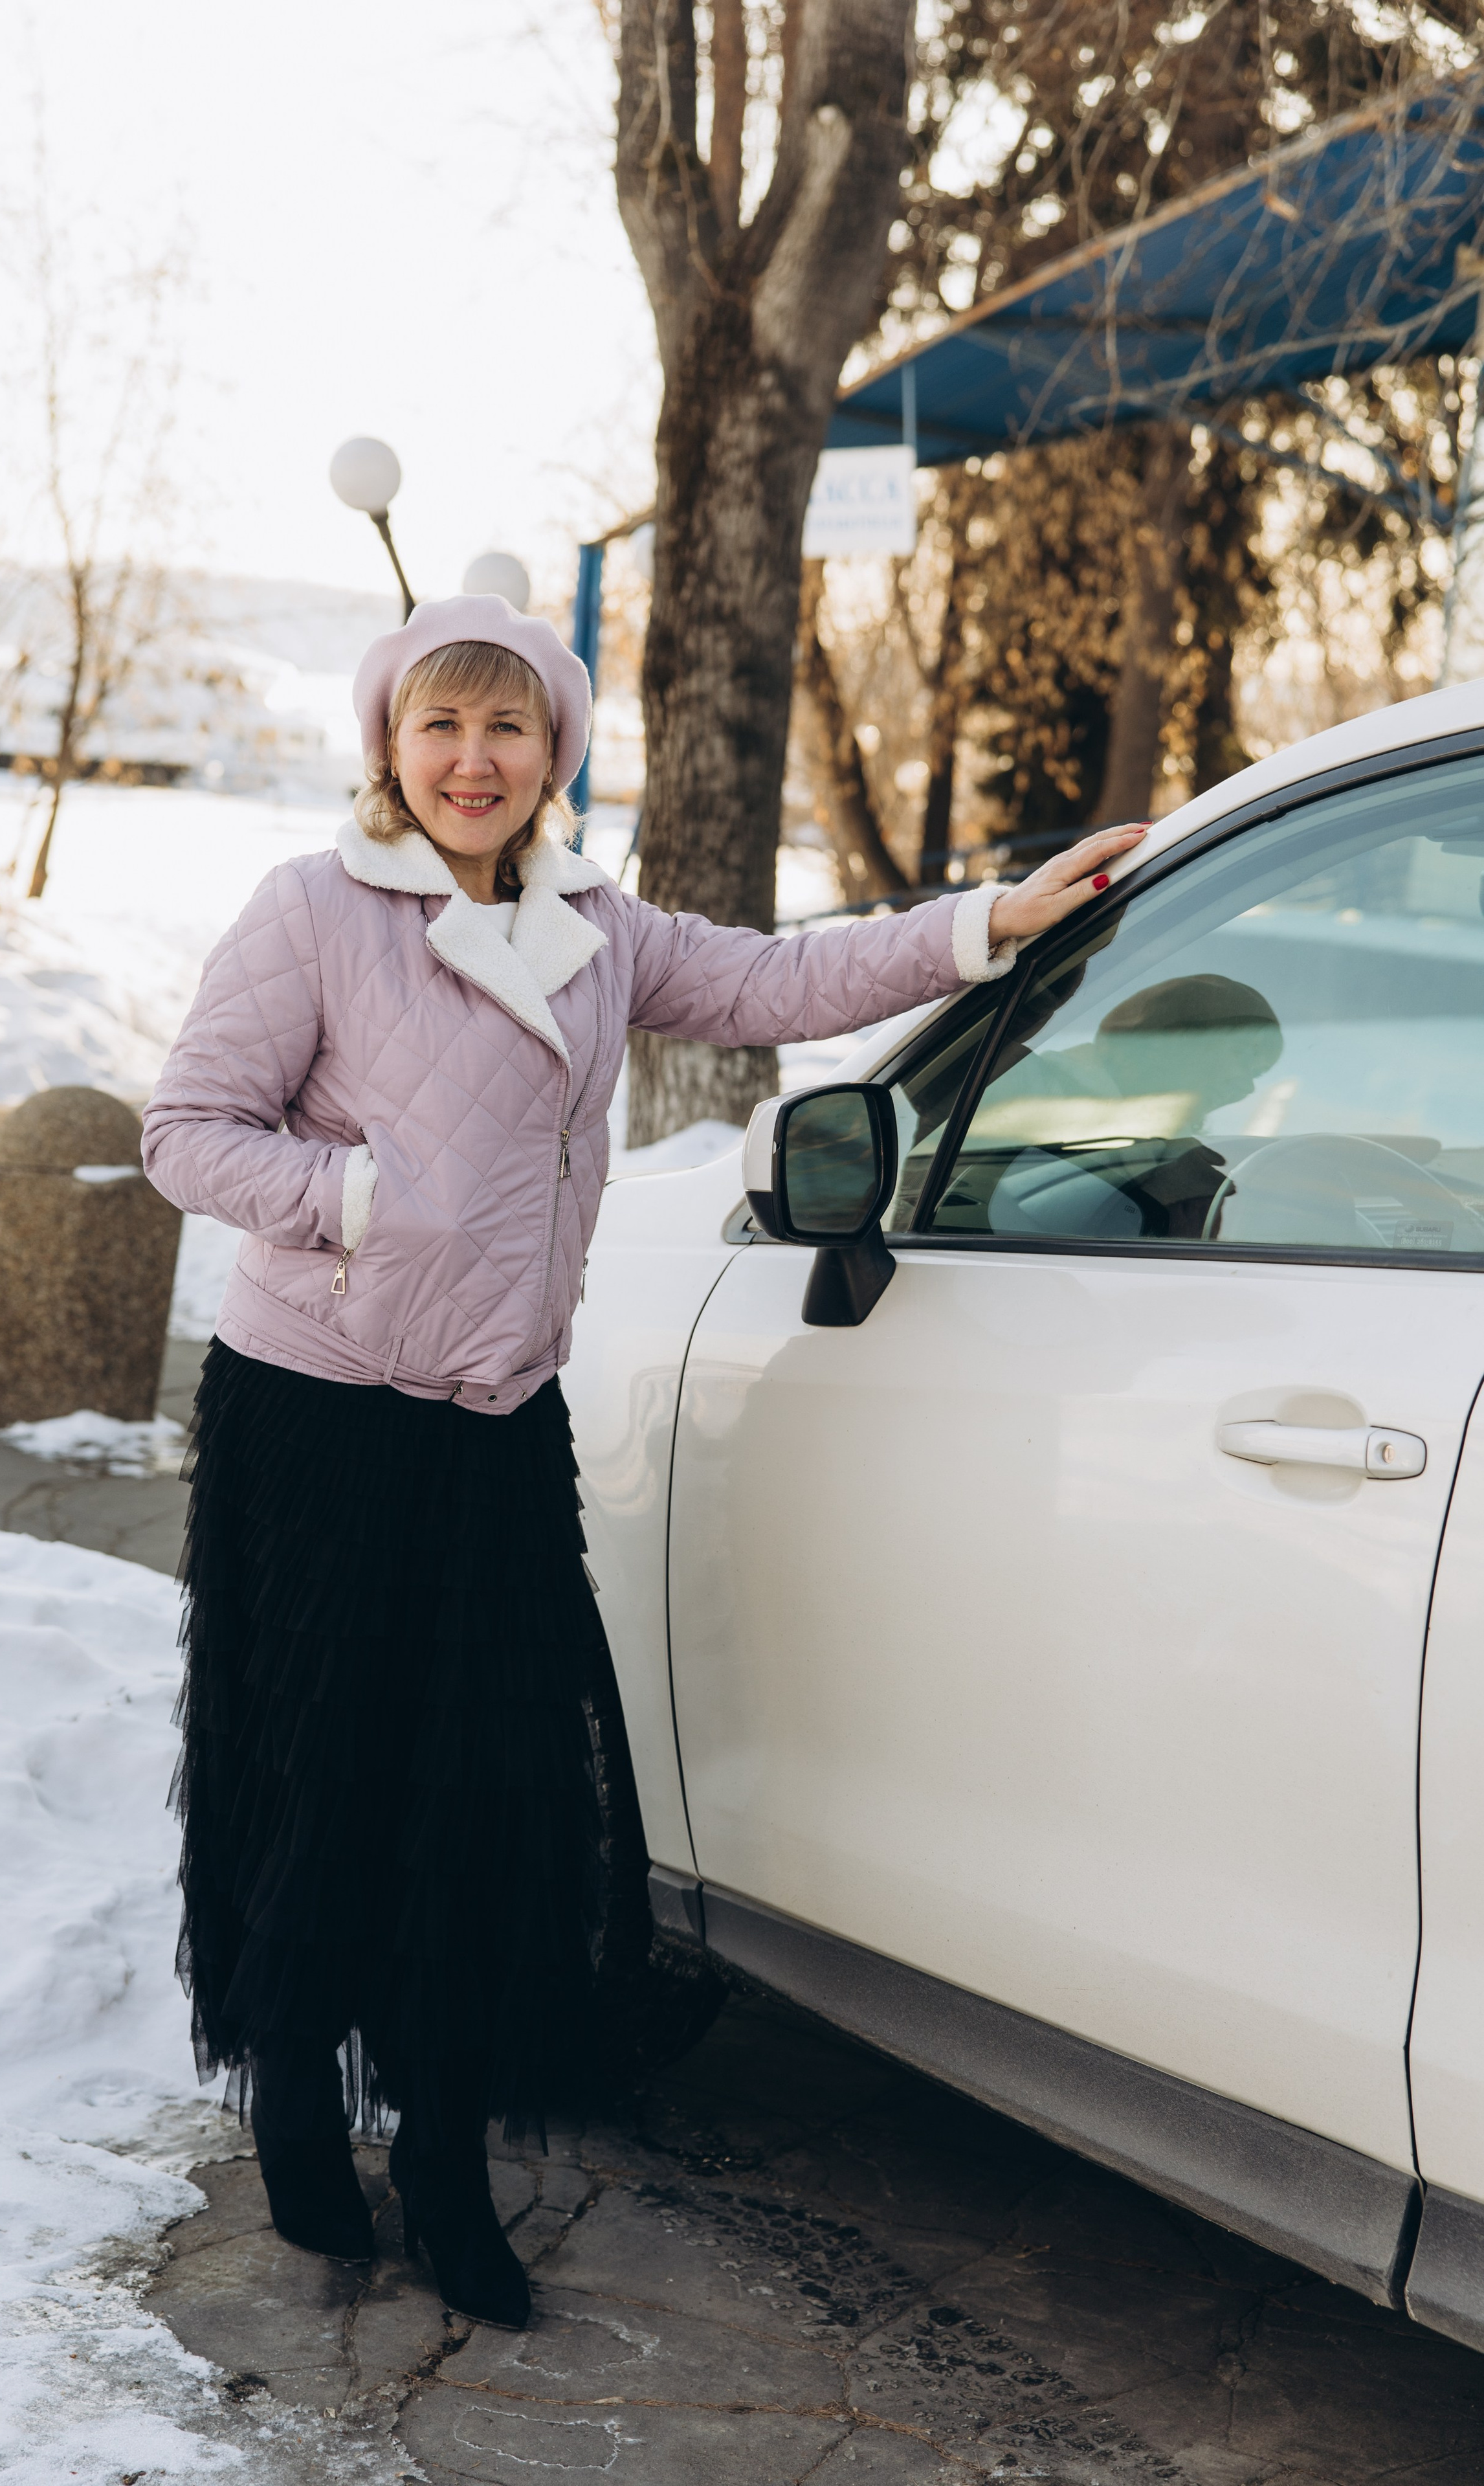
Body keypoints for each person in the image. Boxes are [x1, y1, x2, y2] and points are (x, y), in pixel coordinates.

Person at [140, 594, 1142, 2329]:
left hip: (494, 1420)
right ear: (390, 745)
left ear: (556, 753)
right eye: (442, 726)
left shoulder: (595, 928)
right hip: (321, 1415)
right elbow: (184, 1134)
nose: (473, 761)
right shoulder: (313, 910)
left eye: (508, 728)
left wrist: (986, 921)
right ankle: (296, 2090)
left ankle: (442, 2158)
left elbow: (776, 981)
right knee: (318, 1766)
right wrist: (358, 1196)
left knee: (487, 1792)